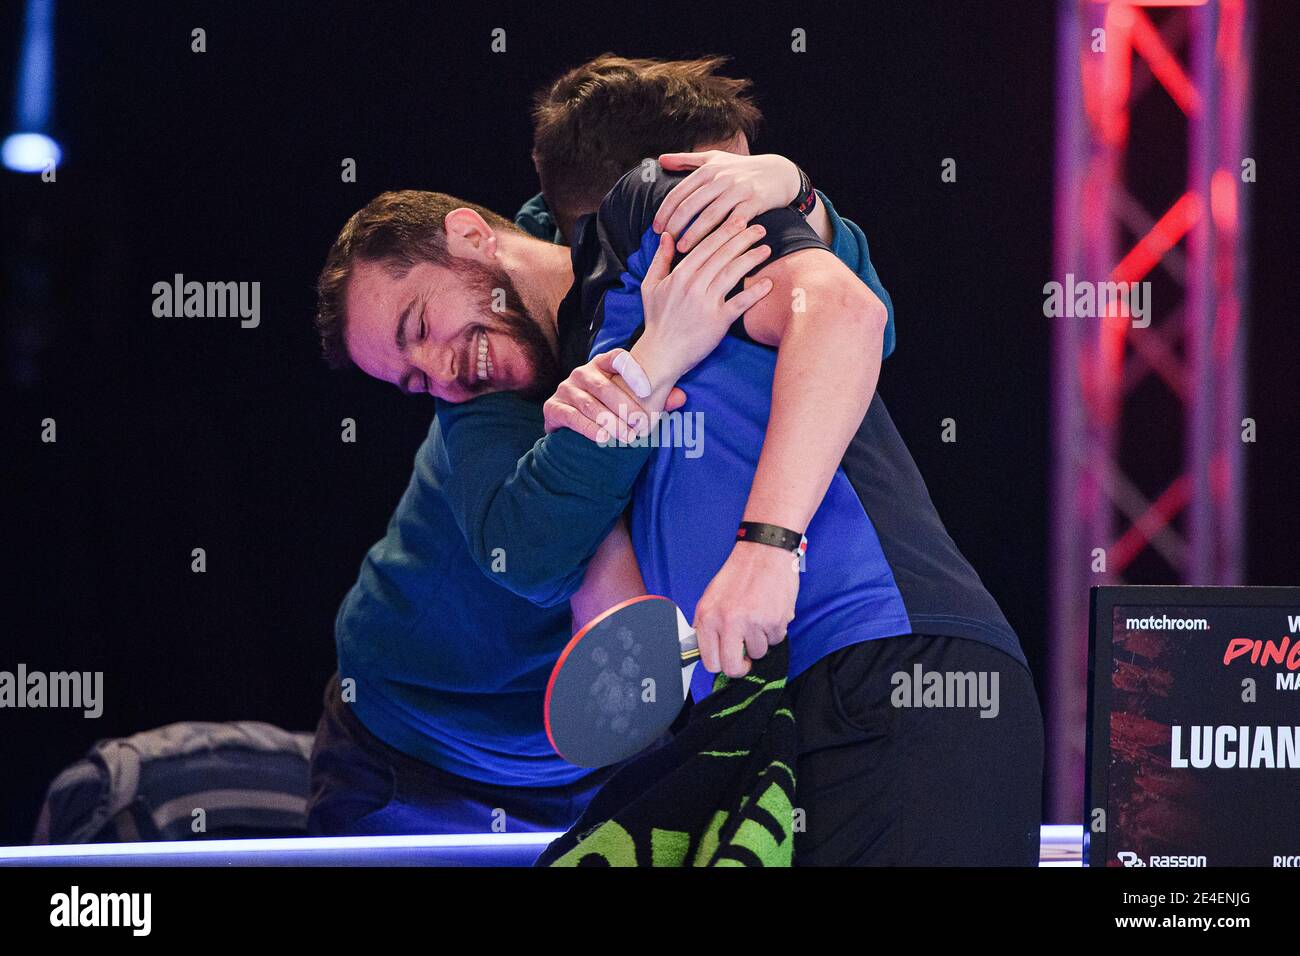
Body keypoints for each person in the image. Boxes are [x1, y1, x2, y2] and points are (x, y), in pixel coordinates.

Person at [317, 109, 1045, 865]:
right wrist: (650, 365)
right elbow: (583, 587)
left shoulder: (643, 220)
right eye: (410, 380)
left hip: (882, 668)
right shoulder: (521, 389)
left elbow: (852, 314)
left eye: (420, 326)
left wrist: (801, 197)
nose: (440, 373)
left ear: (470, 235)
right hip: (436, 744)